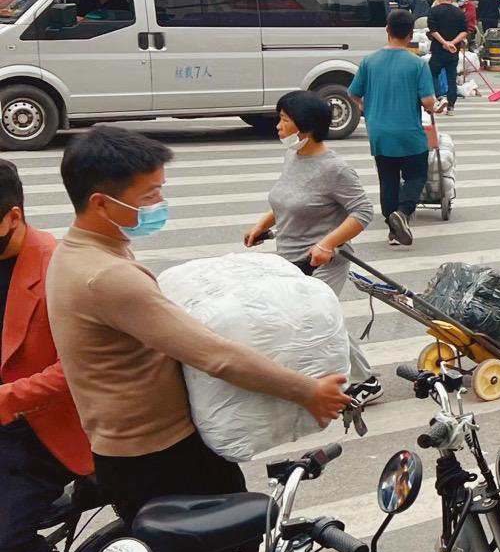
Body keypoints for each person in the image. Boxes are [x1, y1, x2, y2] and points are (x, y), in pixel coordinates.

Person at [46, 127, 351, 524]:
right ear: (101, 204)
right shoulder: (105, 277)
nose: (161, 202)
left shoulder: (75, 253)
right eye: (149, 195)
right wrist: (307, 391)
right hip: (159, 456)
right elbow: (215, 356)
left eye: (161, 189)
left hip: (131, 448)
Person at [242, 91, 380, 396]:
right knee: (305, 318)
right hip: (289, 258)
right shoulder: (292, 156)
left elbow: (363, 211)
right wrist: (261, 226)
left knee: (320, 318)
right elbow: (286, 200)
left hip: (324, 262)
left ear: (304, 127)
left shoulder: (335, 169)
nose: (278, 126)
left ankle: (366, 381)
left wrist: (327, 244)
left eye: (284, 120)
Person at [0, 160, 92, 552]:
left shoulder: (58, 268)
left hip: (43, 435)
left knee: (5, 545)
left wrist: (5, 398)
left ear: (12, 217)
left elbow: (77, 369)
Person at [348, 10, 439, 247]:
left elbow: (353, 93)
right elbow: (428, 101)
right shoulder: (417, 64)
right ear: (410, 35)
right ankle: (403, 212)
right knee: (416, 175)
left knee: (387, 179)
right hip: (408, 131)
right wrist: (433, 107)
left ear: (387, 30)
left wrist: (369, 108)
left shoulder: (369, 61)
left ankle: (393, 230)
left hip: (379, 132)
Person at [426, 0, 469, 111]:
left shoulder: (434, 11)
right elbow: (464, 31)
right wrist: (452, 43)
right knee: (451, 77)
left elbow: (433, 30)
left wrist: (444, 43)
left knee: (432, 73)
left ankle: (439, 96)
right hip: (453, 51)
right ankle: (451, 105)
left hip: (438, 50)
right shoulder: (459, 13)